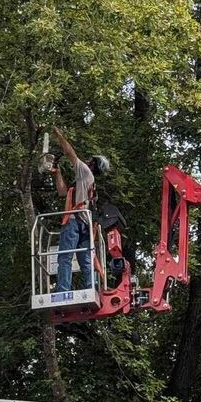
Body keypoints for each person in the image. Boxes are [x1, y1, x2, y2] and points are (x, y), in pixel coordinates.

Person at [49, 126, 110, 295]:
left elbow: (70, 153)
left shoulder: (86, 172)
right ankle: (90, 289)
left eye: (90, 160)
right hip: (84, 223)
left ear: (93, 165)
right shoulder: (84, 182)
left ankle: (63, 291)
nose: (87, 161)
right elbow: (62, 192)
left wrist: (60, 136)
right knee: (86, 260)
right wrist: (57, 172)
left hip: (75, 221)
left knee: (65, 257)